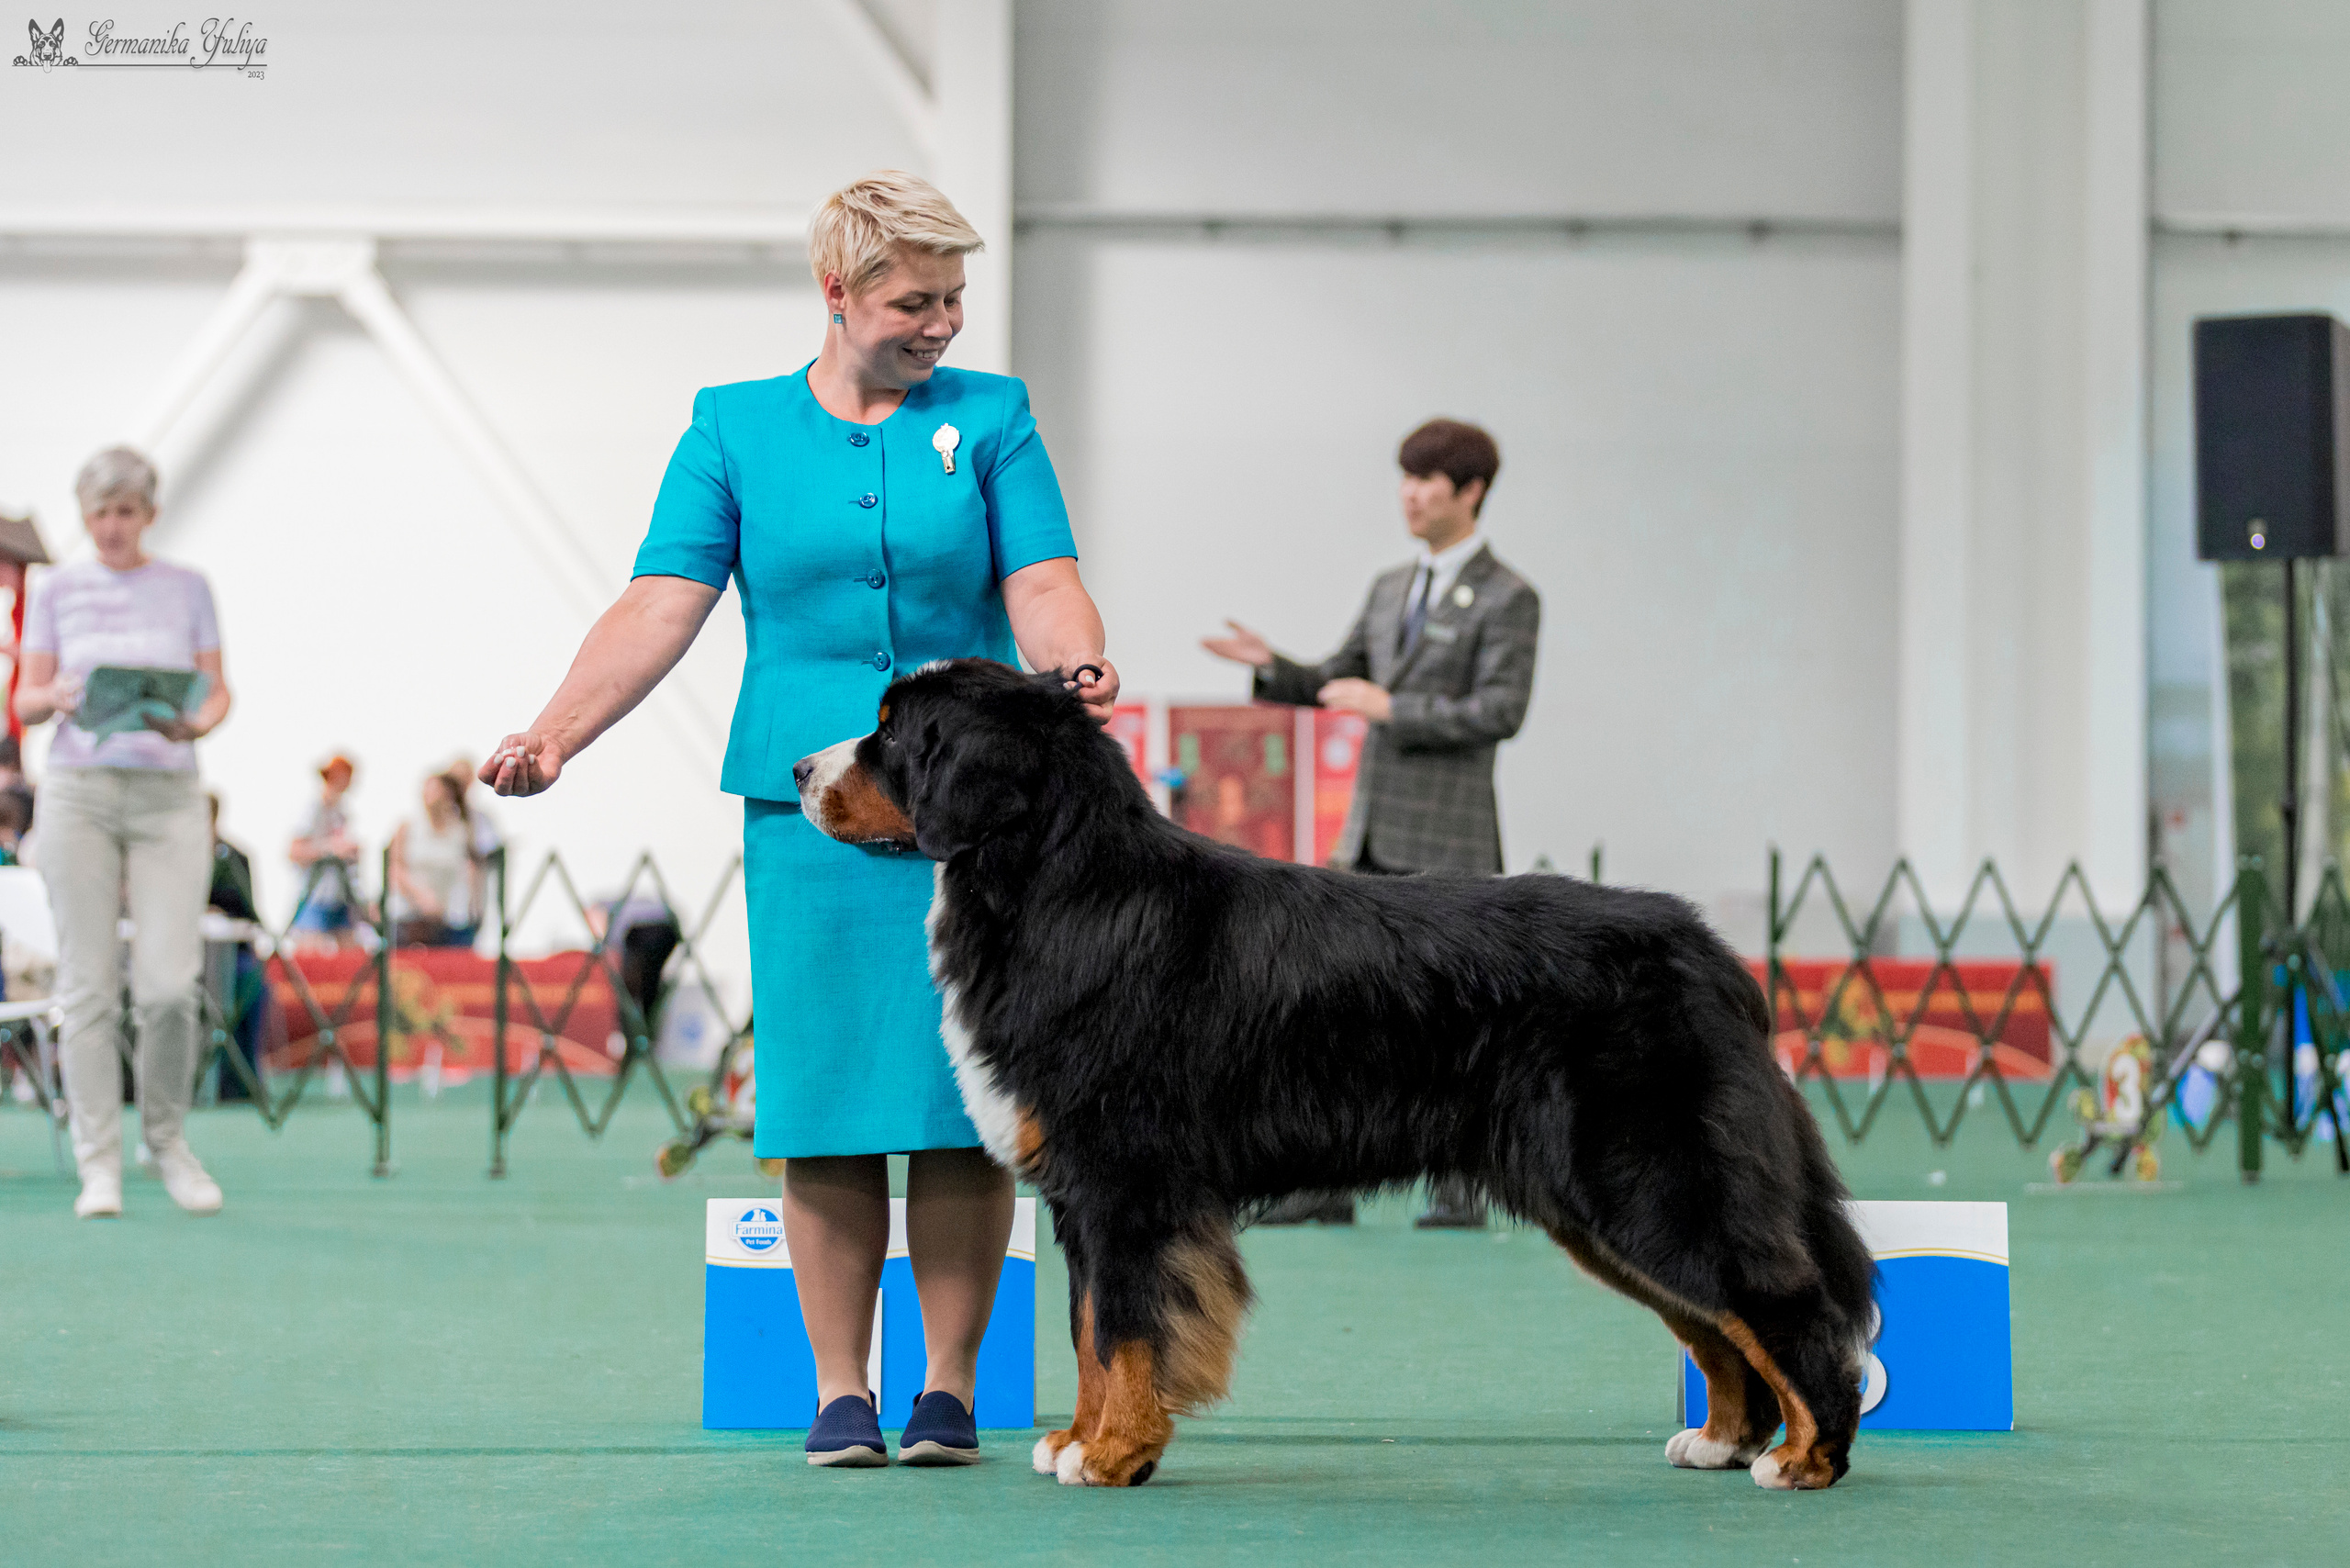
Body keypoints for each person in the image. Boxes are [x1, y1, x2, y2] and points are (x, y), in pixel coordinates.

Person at [484, 170, 1118, 1469]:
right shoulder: (732, 429)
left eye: (953, 299)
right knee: (826, 1099)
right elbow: (660, 603)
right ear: (837, 293)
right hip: (815, 810)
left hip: (972, 819)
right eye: (912, 301)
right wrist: (556, 731)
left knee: (964, 1102)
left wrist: (1077, 667)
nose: (941, 324)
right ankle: (840, 1391)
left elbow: (1044, 576)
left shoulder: (993, 418)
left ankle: (946, 1389)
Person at [1203, 417, 1540, 1229]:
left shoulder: (1510, 596)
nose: (1411, 494)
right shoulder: (1392, 587)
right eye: (1405, 477)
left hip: (1451, 837)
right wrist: (1272, 667)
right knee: (1336, 1014)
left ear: (1473, 493)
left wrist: (1393, 706)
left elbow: (1501, 711)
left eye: (1429, 480)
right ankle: (1323, 1182)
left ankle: (1462, 1185)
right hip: (1367, 837)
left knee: (1458, 1016)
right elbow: (1334, 676)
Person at [14, 445, 233, 1218]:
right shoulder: (56, 588)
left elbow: (218, 691)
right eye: (100, 512)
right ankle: (97, 1162)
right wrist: (60, 694)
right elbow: (28, 700)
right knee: (87, 984)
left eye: (126, 512)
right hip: (79, 789)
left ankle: (166, 1142)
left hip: (168, 792)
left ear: (149, 513)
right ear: (85, 515)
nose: (112, 526)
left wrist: (193, 720)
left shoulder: (188, 587)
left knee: (172, 986)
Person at [205, 792, 267, 1102]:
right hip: (187, 955)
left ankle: (243, 1079)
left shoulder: (234, 857)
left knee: (251, 982)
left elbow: (249, 912)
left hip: (230, 953)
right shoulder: (172, 857)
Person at [387, 767, 481, 948]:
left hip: (448, 920)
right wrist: (421, 896)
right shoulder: (407, 827)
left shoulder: (461, 831)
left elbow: (468, 870)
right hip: (409, 918)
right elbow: (394, 868)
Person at [288, 754, 364, 948]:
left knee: (351, 949)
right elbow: (294, 851)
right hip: (315, 894)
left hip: (340, 894)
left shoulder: (342, 810)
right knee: (310, 953)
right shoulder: (313, 808)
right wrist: (331, 849)